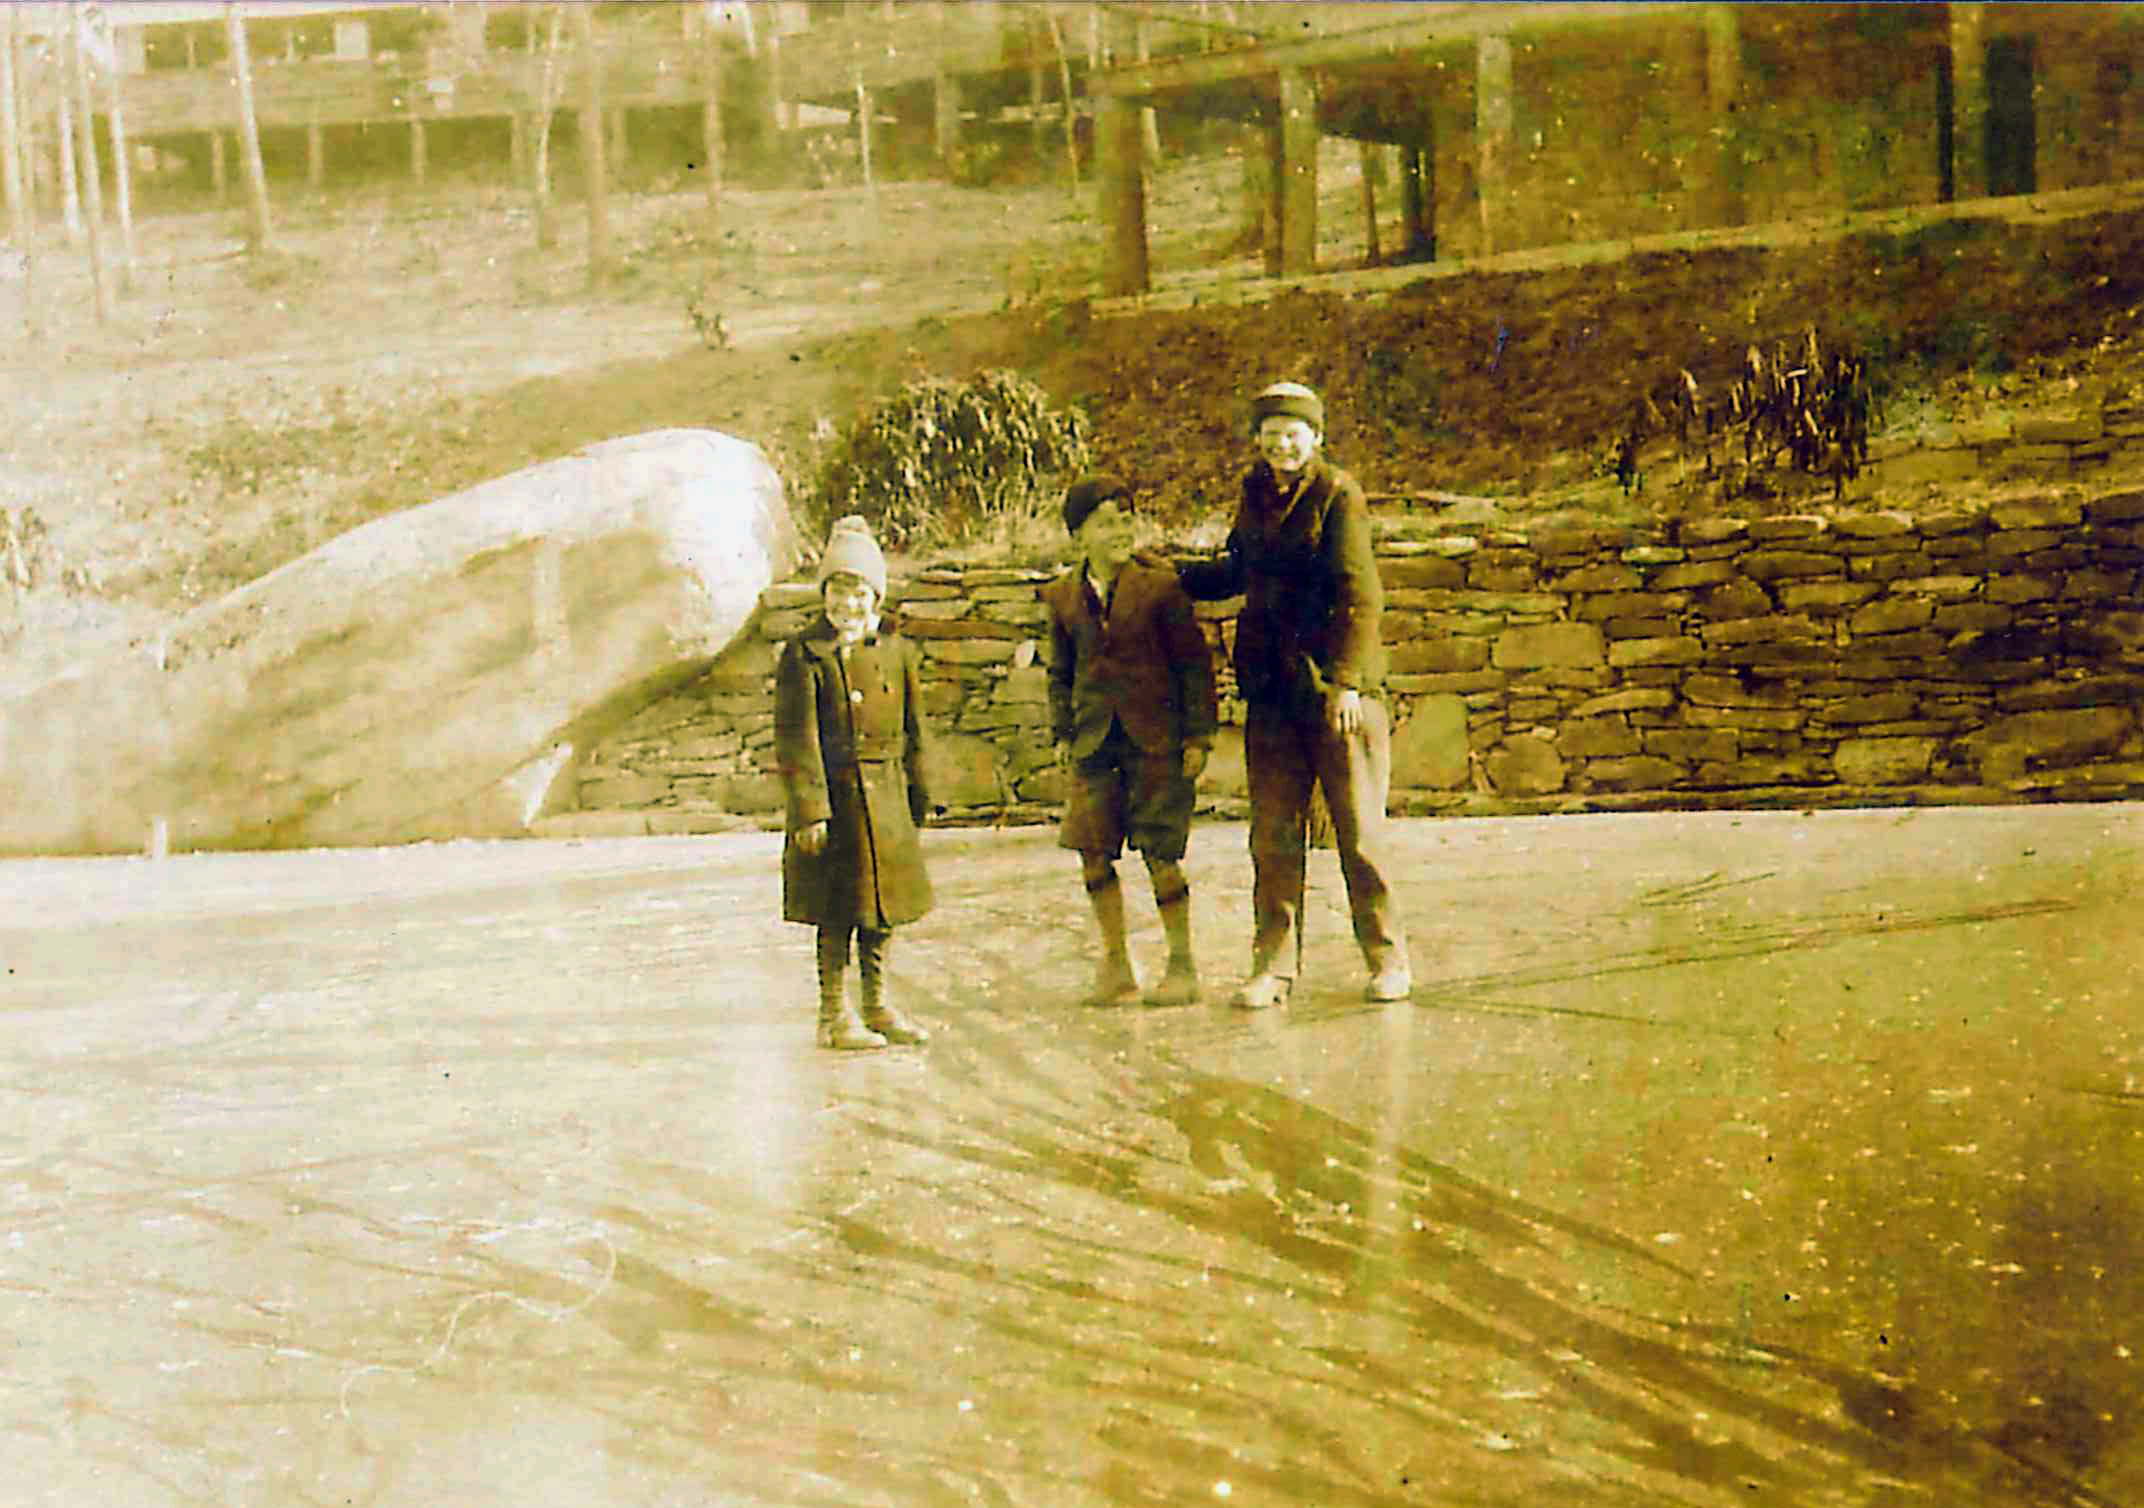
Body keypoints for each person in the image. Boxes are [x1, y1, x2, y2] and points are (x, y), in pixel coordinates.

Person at [1177, 382, 1412, 1008]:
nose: (1282, 442)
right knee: (1273, 836)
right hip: (1273, 694)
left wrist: (1348, 682)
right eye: (1271, 431)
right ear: (1256, 439)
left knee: (1358, 834)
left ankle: (1388, 959)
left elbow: (1361, 595)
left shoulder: (1338, 494)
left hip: (1336, 694)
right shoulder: (1254, 494)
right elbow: (1234, 572)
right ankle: (1273, 968)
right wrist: (1164, 573)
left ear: (1316, 437)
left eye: (1294, 431)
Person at [1043, 476, 1218, 1007]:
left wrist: (1198, 736)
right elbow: (1060, 671)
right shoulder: (1063, 596)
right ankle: (1117, 963)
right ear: (1079, 536)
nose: (1120, 530)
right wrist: (1062, 733)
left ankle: (1182, 965)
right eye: (1104, 522)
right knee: (1092, 854)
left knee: (1161, 852)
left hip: (1156, 742)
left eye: (1125, 518)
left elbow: (1194, 665)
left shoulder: (1160, 587)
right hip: (1095, 745)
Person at [775, 515, 934, 1050]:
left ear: (877, 597)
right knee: (835, 909)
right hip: (835, 802)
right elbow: (796, 740)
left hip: (886, 798)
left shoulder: (896, 652)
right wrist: (809, 810)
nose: (848, 605)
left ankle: (877, 1004)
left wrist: (919, 795)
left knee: (882, 908)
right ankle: (834, 1015)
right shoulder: (804, 655)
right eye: (838, 592)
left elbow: (916, 731)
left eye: (858, 592)